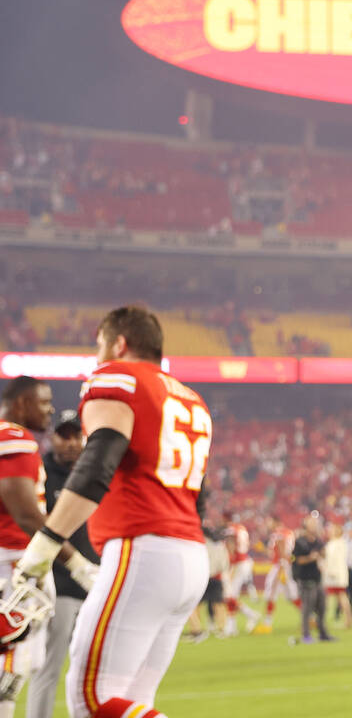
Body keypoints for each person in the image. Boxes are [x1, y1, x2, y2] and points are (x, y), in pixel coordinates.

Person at [13, 306, 210, 718]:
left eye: (99, 344)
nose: (97, 356)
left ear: (119, 343)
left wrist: (45, 545)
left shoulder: (118, 379)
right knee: (133, 701)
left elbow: (97, 464)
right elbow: (199, 495)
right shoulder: (190, 399)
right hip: (189, 554)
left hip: (143, 550)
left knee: (92, 698)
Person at [0, 381, 93, 718]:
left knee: (12, 676)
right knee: (8, 673)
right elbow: (26, 515)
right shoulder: (13, 438)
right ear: (23, 403)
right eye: (44, 402)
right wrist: (77, 563)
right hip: (11, 564)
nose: (49, 409)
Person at [26, 410, 100, 718]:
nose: (70, 443)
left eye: (76, 436)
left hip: (97, 584)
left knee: (95, 673)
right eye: (64, 435)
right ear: (53, 437)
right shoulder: (43, 472)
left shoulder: (96, 471)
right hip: (60, 586)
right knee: (48, 668)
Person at [292, 512, 333, 643]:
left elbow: (324, 555)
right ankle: (306, 635)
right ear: (306, 526)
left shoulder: (318, 541)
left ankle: (322, 633)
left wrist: (322, 554)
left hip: (317, 578)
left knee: (322, 606)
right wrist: (311, 558)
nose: (315, 526)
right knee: (307, 608)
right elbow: (296, 560)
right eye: (312, 524)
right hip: (305, 579)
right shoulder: (300, 542)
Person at [222, 516, 259, 635]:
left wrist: (230, 566)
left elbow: (231, 546)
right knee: (231, 596)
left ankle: (247, 617)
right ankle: (232, 625)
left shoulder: (231, 529)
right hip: (245, 562)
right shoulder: (241, 528)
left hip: (238, 564)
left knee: (229, 595)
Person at [323, 522, 352, 630]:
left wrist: (328, 570)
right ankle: (349, 619)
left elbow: (330, 560)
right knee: (342, 596)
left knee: (328, 598)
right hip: (340, 574)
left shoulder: (333, 544)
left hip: (333, 575)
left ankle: (322, 620)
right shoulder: (342, 543)